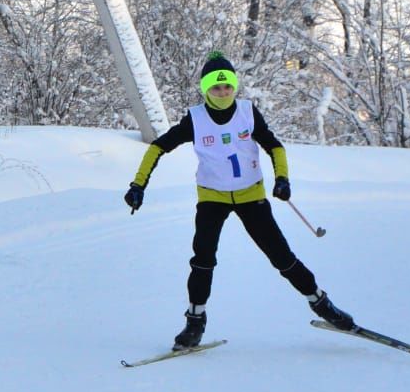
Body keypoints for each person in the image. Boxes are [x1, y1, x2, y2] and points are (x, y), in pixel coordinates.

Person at [123, 51, 356, 351]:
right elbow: (157, 147)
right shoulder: (195, 119)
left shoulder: (248, 112)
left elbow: (275, 147)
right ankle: (195, 322)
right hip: (212, 197)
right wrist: (138, 184)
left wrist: (282, 179)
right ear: (206, 89)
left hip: (251, 195)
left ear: (235, 87)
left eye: (228, 86)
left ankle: (323, 304)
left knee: (281, 256)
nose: (223, 92)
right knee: (203, 260)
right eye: (217, 87)